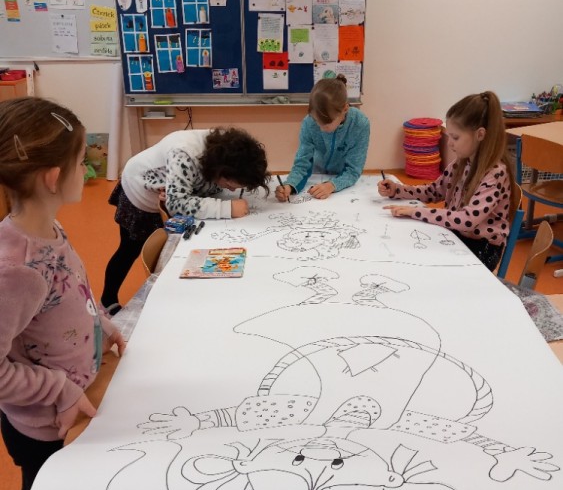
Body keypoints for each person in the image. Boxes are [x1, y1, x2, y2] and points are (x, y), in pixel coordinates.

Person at [0, 98, 125, 490]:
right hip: (45, 422)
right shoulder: (16, 270)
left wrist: (102, 324)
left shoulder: (49, 226)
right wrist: (61, 389)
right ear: (54, 177)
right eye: (82, 161)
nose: (87, 169)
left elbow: (73, 289)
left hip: (74, 399)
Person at [101, 127, 269, 313]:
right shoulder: (184, 153)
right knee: (129, 249)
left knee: (167, 245)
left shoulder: (224, 153)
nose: (230, 190)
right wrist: (227, 208)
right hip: (139, 190)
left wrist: (181, 195)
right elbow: (177, 204)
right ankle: (107, 301)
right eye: (230, 185)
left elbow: (194, 188)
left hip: (165, 193)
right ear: (222, 170)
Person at [378, 91, 516, 271]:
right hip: (457, 235)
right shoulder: (461, 163)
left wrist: (416, 212)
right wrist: (398, 190)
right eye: (449, 136)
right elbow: (433, 191)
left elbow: (467, 220)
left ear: (480, 134)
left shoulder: (495, 174)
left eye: (455, 137)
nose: (449, 143)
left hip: (482, 249)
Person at [275, 74, 370, 202]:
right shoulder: (308, 122)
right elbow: (302, 163)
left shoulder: (360, 124)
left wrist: (332, 185)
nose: (320, 127)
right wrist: (290, 185)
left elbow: (353, 170)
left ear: (345, 108)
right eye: (316, 120)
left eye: (326, 123)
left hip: (344, 181)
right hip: (316, 175)